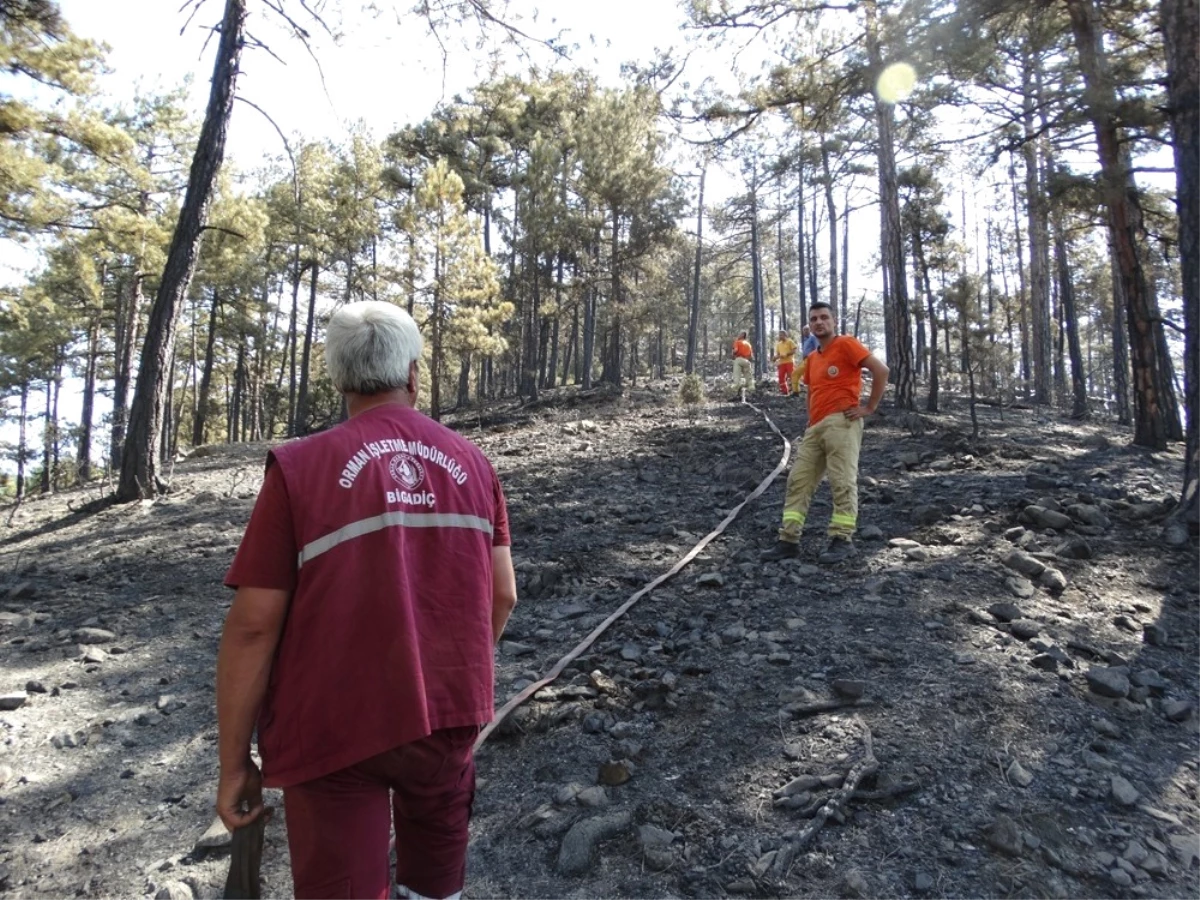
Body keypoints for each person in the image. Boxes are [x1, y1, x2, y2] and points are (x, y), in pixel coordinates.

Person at [215, 300, 518, 900]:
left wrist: (232, 766)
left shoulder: (299, 470)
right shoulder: (472, 463)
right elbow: (502, 594)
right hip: (445, 720)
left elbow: (253, 628)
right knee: (435, 889)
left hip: (334, 729)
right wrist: (449, 675)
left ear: (339, 378)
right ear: (412, 374)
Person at [763, 301, 889, 564]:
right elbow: (813, 391)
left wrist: (870, 407)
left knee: (841, 480)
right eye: (814, 319)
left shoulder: (846, 344)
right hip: (815, 427)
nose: (819, 322)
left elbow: (881, 370)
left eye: (824, 318)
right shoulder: (812, 359)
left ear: (834, 322)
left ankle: (842, 539)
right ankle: (788, 540)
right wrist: (811, 421)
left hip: (842, 421)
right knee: (798, 480)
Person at [789, 324, 819, 396]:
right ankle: (796, 392)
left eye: (807, 330)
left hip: (811, 359)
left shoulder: (813, 338)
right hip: (805, 360)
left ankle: (813, 393)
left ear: (810, 330)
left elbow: (817, 348)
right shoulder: (805, 340)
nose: (805, 331)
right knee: (796, 374)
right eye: (804, 330)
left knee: (797, 374)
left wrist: (815, 359)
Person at [773, 330, 798, 396]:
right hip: (781, 363)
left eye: (781, 335)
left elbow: (794, 350)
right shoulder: (778, 344)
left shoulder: (790, 341)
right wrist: (775, 357)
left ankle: (795, 391)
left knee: (791, 376)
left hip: (789, 362)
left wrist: (787, 354)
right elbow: (778, 354)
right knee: (781, 376)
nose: (780, 336)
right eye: (779, 335)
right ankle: (784, 391)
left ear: (785, 335)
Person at [731, 330, 754, 397]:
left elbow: (735, 350)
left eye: (739, 334)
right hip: (747, 361)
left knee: (737, 376)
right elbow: (751, 356)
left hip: (739, 359)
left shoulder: (737, 342)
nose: (738, 335)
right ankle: (751, 389)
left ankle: (735, 388)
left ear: (742, 335)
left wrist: (732, 354)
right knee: (749, 379)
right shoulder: (748, 344)